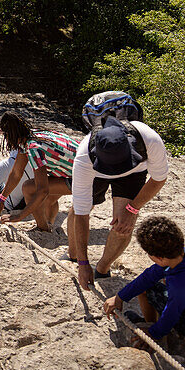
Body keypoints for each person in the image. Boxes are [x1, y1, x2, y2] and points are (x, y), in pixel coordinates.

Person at [69, 116, 170, 288]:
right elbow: (82, 212)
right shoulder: (84, 159)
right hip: (97, 173)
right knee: (79, 208)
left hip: (134, 171)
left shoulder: (148, 139)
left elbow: (159, 178)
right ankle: (73, 255)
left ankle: (102, 268)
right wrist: (83, 263)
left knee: (123, 225)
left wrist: (132, 209)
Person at [103, 217, 185, 345]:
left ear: (159, 258)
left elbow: (171, 315)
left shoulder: (180, 285)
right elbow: (149, 276)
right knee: (151, 284)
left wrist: (153, 333)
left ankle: (150, 325)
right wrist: (120, 297)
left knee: (147, 290)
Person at [0, 112, 82, 232]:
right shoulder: (32, 135)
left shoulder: (34, 148)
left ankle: (43, 228)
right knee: (48, 198)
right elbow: (16, 173)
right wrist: (1, 199)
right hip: (79, 169)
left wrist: (19, 216)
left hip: (86, 177)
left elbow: (42, 190)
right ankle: (48, 225)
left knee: (29, 188)